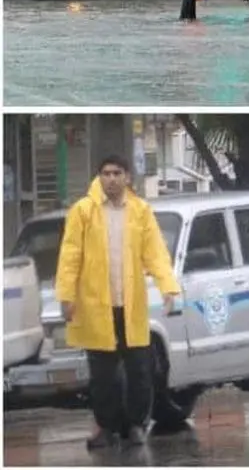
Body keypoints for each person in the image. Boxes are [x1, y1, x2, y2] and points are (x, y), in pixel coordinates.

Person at [55, 155, 181, 450]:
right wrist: (67, 296)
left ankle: (137, 425)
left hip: (131, 306)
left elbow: (155, 253)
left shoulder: (140, 211)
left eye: (116, 173)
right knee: (102, 376)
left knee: (139, 370)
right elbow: (70, 255)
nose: (110, 178)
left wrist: (167, 287)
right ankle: (106, 428)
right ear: (99, 177)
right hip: (97, 307)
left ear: (127, 177)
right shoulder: (83, 211)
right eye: (105, 173)